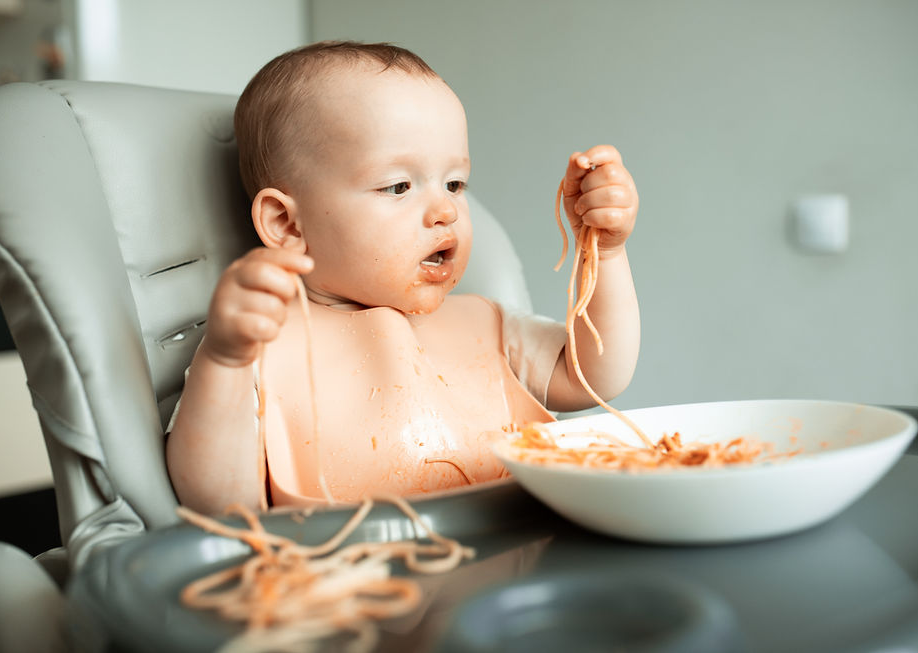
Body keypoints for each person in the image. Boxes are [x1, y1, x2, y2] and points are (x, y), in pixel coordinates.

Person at [165, 41, 640, 514]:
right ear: (288, 224)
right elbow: (217, 501)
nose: (445, 210)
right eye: (398, 186)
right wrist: (225, 361)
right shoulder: (255, 350)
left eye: (455, 183)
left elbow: (594, 375)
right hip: (359, 574)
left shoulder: (487, 326)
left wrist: (606, 251)